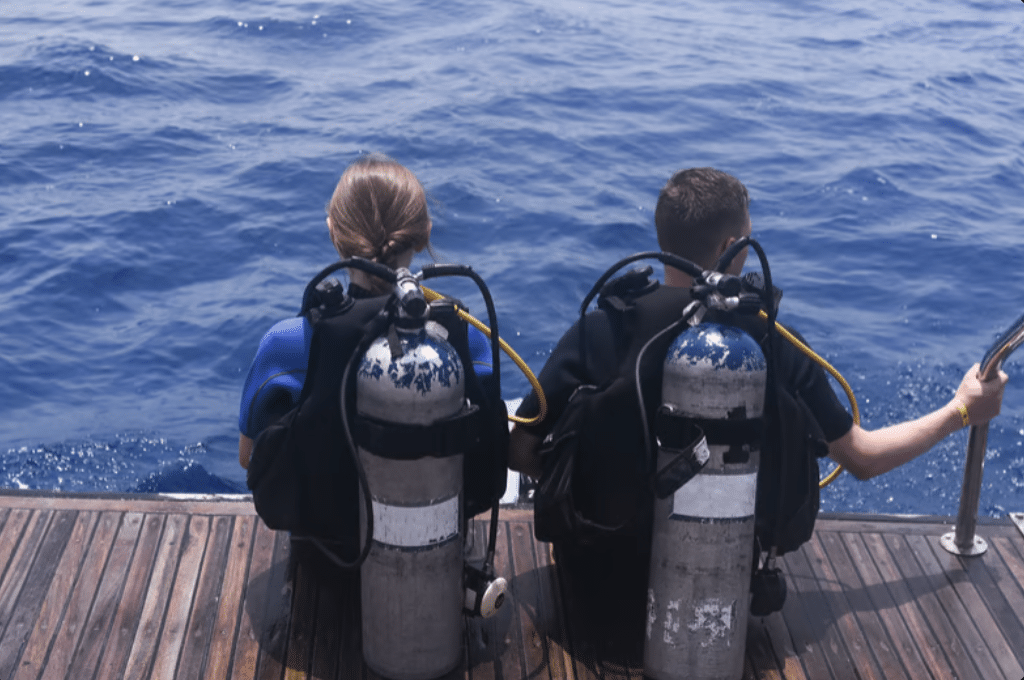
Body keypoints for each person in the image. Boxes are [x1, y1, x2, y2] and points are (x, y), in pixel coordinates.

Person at [506, 166, 1008, 658]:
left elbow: (519, 448)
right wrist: (961, 410)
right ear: (732, 249)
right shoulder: (771, 340)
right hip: (720, 604)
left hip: (597, 589)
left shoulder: (600, 328)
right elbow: (864, 457)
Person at [238, 153, 503, 565]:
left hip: (325, 556)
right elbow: (491, 450)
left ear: (333, 233)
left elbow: (248, 458)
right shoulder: (465, 338)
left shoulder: (284, 345)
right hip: (435, 555)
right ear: (422, 234)